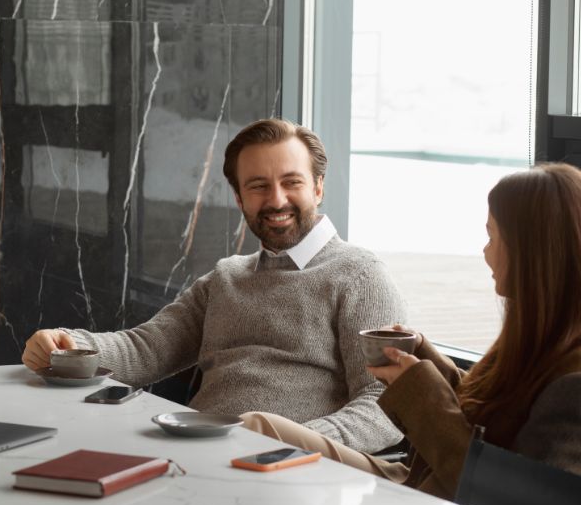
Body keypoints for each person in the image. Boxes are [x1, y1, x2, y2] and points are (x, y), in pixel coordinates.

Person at [23, 118, 407, 453]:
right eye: (258, 186)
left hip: (289, 471)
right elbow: (147, 349)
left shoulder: (360, 275)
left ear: (318, 188)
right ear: (240, 199)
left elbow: (387, 402)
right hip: (197, 452)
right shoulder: (227, 277)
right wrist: (68, 344)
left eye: (292, 182)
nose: (277, 199)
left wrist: (293, 442)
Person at [241, 163, 581, 499]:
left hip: (437, 498)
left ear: (531, 251)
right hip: (417, 479)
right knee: (259, 427)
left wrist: (419, 392)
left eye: (492, 236)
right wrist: (425, 359)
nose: (485, 251)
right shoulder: (540, 339)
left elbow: (512, 498)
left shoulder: (572, 386)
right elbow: (494, 420)